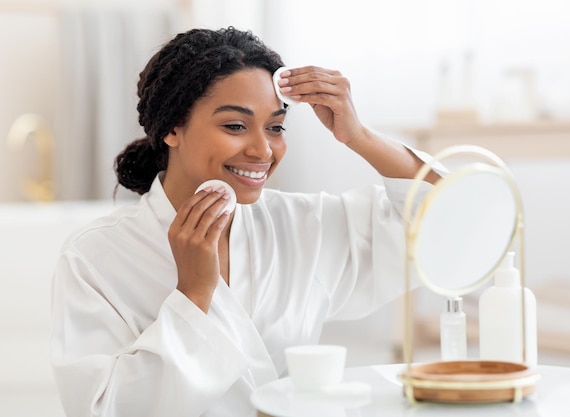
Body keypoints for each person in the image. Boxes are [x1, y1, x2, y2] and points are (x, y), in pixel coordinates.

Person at [50, 27, 441, 417]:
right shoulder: (95, 257)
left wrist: (358, 136)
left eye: (275, 127)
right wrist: (194, 295)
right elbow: (102, 409)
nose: (263, 150)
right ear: (172, 128)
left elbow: (447, 227)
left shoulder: (301, 225)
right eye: (235, 126)